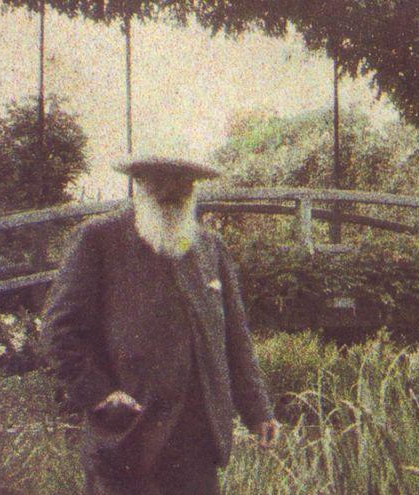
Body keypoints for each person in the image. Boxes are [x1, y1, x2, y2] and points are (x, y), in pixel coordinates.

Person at [40, 156, 278, 494]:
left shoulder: (211, 248)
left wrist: (257, 409)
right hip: (127, 440)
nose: (172, 190)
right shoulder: (98, 240)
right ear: (138, 183)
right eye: (159, 180)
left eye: (183, 181)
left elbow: (235, 338)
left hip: (196, 447)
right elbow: (59, 331)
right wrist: (100, 394)